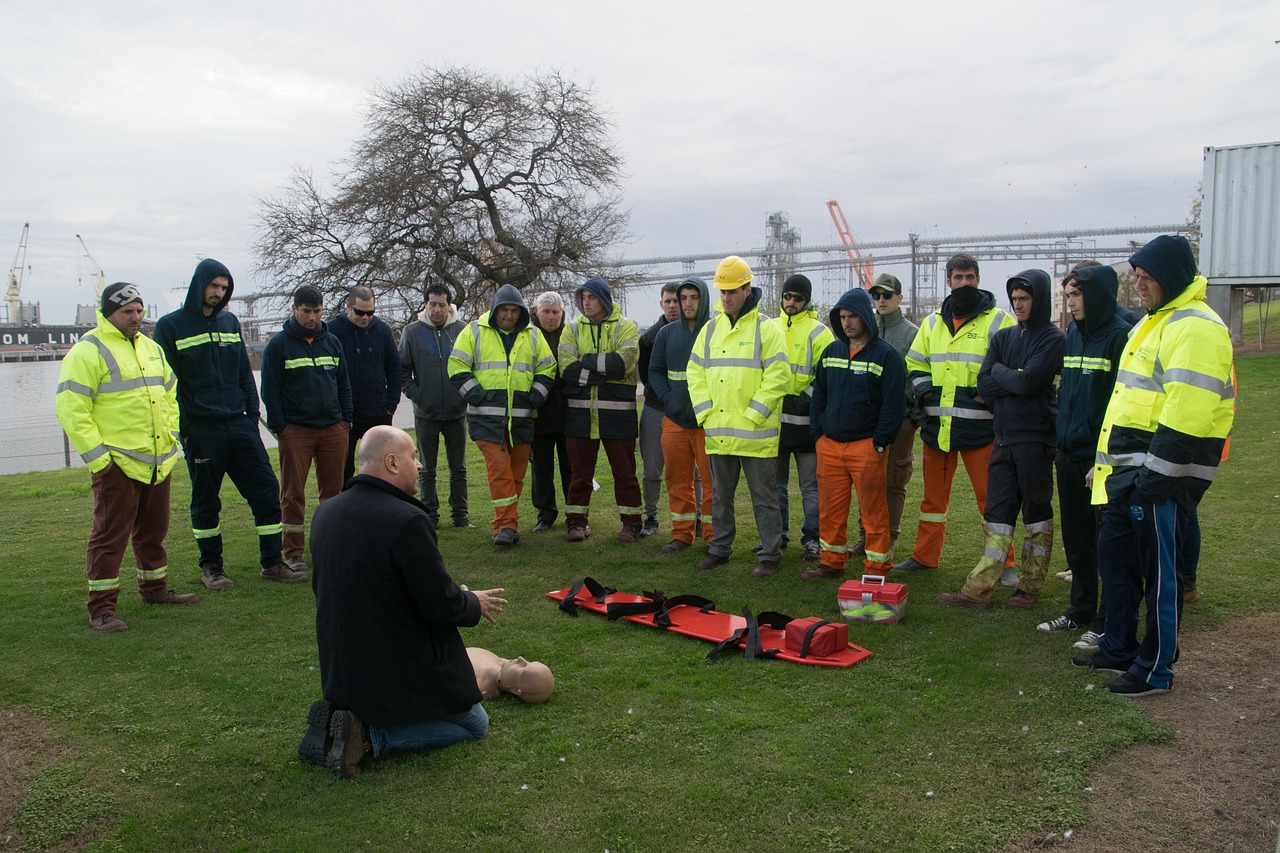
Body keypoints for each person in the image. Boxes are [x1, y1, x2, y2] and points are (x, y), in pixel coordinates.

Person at [1076, 235, 1234, 696]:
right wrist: (1102, 466)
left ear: (1170, 277)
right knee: (1118, 563)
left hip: (1158, 477)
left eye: (1146, 278)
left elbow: (1189, 411)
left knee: (1160, 577)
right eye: (1137, 278)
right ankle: (1120, 646)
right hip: (1126, 472)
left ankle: (1155, 668)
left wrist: (1156, 481)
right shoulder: (1154, 322)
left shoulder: (1196, 327)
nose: (1139, 286)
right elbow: (1125, 403)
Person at [301, 426, 507, 777]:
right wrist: (472, 602)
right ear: (392, 462)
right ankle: (367, 736)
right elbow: (439, 605)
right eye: (414, 456)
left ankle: (342, 723)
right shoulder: (407, 520)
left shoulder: (325, 514)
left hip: (340, 672)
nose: (421, 464)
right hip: (388, 669)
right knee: (475, 723)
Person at [55, 282, 199, 632]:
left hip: (157, 460)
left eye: (139, 310)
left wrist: (172, 439)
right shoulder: (87, 351)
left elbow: (169, 397)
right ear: (108, 313)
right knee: (109, 536)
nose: (136, 317)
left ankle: (155, 590)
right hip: (116, 463)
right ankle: (101, 609)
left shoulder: (151, 348)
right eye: (127, 312)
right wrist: (100, 459)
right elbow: (72, 409)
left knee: (154, 532)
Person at [154, 259, 298, 589]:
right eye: (213, 286)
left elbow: (243, 374)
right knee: (206, 501)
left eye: (223, 288)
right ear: (199, 284)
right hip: (202, 431)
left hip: (241, 425)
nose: (218, 293)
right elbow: (168, 384)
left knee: (265, 491)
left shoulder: (230, 322)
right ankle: (212, 567)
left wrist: (250, 414)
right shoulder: (170, 327)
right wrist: (186, 429)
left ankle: (272, 562)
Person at [937, 270, 1065, 609]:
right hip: (1003, 437)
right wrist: (1012, 378)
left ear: (1039, 300)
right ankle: (978, 589)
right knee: (997, 513)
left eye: (1025, 299)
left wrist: (1003, 376)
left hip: (1035, 440)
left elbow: (1027, 383)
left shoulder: (1053, 338)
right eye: (1015, 299)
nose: (1019, 305)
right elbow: (985, 384)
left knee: (1036, 514)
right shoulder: (1004, 337)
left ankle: (1030, 587)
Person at [894, 254, 1015, 574]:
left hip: (982, 428)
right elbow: (915, 364)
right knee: (932, 503)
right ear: (948, 281)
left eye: (970, 277)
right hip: (938, 427)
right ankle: (924, 557)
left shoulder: (1000, 320)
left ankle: (1005, 562)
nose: (964, 283)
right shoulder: (932, 323)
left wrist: (986, 392)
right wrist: (925, 391)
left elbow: (1012, 365)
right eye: (958, 277)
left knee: (991, 500)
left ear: (978, 279)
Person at [1036, 264, 1131, 647]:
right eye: (1068, 295)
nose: (1070, 303)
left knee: (1106, 541)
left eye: (1076, 295)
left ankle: (1106, 621)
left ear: (1096, 296)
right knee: (1077, 539)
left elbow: (1122, 404)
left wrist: (1103, 458)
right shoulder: (1073, 333)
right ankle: (1079, 612)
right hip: (1069, 451)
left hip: (1100, 460)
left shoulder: (1120, 337)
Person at [686, 256, 791, 577]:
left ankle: (770, 554)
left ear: (748, 289)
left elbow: (779, 375)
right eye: (722, 291)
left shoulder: (767, 329)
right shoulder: (711, 328)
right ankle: (720, 548)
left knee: (765, 498)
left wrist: (755, 414)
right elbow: (695, 372)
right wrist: (705, 412)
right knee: (720, 497)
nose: (726, 297)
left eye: (732, 290)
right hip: (719, 431)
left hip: (755, 434)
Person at [806, 287, 905, 580]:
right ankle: (831, 563)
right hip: (830, 446)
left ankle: (877, 569)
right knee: (830, 511)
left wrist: (879, 443)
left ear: (866, 318)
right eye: (842, 317)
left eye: (853, 317)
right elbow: (819, 395)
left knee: (874, 514)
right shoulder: (831, 352)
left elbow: (894, 404)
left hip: (866, 447)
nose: (847, 322)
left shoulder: (887, 357)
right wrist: (818, 435)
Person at [448, 284, 555, 546]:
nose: (508, 316)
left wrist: (536, 395)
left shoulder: (532, 334)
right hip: (486, 418)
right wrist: (477, 396)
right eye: (504, 310)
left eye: (513, 311)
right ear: (494, 309)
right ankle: (505, 525)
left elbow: (548, 367)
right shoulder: (474, 330)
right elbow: (456, 365)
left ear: (521, 313)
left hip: (521, 418)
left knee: (516, 474)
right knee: (500, 472)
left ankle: (506, 525)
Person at [261, 285, 353, 575]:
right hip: (296, 431)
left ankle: (331, 545)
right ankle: (294, 552)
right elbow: (270, 392)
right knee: (292, 494)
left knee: (334, 493)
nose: (312, 317)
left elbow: (344, 385)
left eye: (317, 311)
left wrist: (345, 420)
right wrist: (282, 428)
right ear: (294, 309)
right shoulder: (278, 346)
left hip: (333, 429)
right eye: (306, 311)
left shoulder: (333, 342)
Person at [558, 276, 643, 542]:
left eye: (591, 297)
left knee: (625, 474)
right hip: (579, 416)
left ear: (603, 299)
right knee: (579, 475)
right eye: (583, 298)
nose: (586, 302)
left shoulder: (627, 327)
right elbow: (566, 369)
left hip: (618, 416)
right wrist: (599, 374)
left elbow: (623, 364)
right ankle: (575, 523)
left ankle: (631, 524)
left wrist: (586, 361)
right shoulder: (571, 328)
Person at [855, 273, 921, 563]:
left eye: (886, 295)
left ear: (899, 298)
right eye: (876, 295)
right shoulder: (867, 331)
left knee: (893, 480)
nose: (880, 300)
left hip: (900, 419)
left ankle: (889, 539)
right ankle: (865, 537)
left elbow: (917, 376)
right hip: (866, 420)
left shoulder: (912, 334)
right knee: (866, 480)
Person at [648, 276, 715, 555]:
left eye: (693, 298)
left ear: (704, 300)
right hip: (674, 419)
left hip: (708, 421)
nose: (687, 303)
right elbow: (655, 372)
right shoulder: (666, 334)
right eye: (683, 298)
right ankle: (681, 534)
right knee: (677, 479)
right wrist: (669, 398)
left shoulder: (715, 331)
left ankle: (714, 536)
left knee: (713, 483)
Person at [772, 273, 834, 562]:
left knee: (811, 486)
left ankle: (813, 538)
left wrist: (801, 400)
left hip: (807, 423)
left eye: (798, 298)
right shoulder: (769, 327)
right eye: (788, 296)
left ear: (806, 300)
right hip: (774, 423)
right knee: (775, 485)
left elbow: (825, 376)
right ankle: (778, 536)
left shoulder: (819, 332)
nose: (792, 302)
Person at [400, 283, 472, 529]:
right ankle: (429, 516)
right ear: (425, 305)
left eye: (442, 305)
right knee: (426, 469)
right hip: (425, 413)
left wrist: (464, 395)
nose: (437, 310)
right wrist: (418, 395)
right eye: (433, 304)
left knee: (459, 468)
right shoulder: (412, 332)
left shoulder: (463, 331)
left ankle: (460, 516)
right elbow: (402, 371)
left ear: (449, 305)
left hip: (456, 412)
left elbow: (472, 367)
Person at [328, 285, 401, 485]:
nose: (365, 318)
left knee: (383, 468)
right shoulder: (332, 332)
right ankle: (342, 511)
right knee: (343, 469)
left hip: (379, 413)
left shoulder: (382, 331)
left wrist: (391, 406)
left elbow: (395, 369)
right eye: (360, 312)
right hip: (345, 416)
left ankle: (382, 510)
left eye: (370, 313)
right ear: (348, 307)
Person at [637, 283, 681, 537]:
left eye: (677, 300)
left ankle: (696, 518)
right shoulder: (649, 338)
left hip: (687, 411)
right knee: (652, 468)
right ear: (661, 304)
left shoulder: (696, 333)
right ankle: (651, 517)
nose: (674, 305)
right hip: (655, 407)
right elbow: (646, 375)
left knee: (693, 470)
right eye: (669, 301)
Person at [529, 291, 571, 532]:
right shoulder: (529, 336)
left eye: (556, 312)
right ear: (536, 312)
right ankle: (545, 514)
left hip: (567, 414)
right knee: (541, 468)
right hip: (539, 415)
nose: (551, 316)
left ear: (562, 313)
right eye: (546, 311)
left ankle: (573, 512)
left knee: (571, 467)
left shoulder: (570, 334)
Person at [466, 648, 555, 704]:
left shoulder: (478, 686)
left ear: (516, 690)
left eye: (523, 669)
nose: (521, 659)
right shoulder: (500, 663)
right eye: (529, 662)